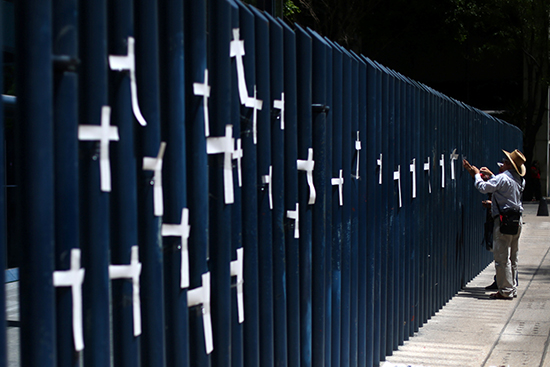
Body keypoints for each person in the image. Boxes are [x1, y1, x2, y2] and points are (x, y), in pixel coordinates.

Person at [463, 149, 526, 299]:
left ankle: (505, 291)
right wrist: (492, 176)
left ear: (509, 165)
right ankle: (512, 288)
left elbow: (482, 187)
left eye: (504, 162)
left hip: (503, 221)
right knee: (513, 257)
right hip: (516, 220)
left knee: (501, 258)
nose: (502, 163)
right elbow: (505, 190)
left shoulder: (502, 178)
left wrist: (477, 174)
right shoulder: (520, 180)